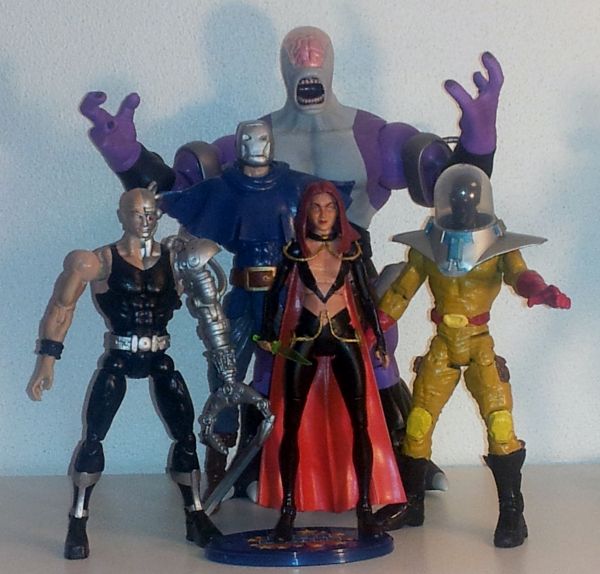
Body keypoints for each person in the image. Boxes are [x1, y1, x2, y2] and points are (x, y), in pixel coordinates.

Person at [79, 26, 504, 490]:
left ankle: (404, 462)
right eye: (297, 59)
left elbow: (459, 193)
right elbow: (179, 196)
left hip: (348, 267)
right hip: (276, 275)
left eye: (315, 57)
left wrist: (479, 142)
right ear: (285, 68)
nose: (307, 64)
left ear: (331, 65)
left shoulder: (374, 137)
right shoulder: (246, 144)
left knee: (376, 353)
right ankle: (257, 466)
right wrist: (128, 158)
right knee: (267, 364)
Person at [26, 185, 236, 558]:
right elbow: (62, 307)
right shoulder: (98, 261)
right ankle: (78, 519)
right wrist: (47, 358)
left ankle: (195, 514)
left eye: (151, 213)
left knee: (185, 435)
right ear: (122, 216)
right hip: (119, 356)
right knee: (94, 438)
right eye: (137, 213)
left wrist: (226, 365)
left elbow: (210, 311)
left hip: (159, 355)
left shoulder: (177, 259)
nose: (145, 220)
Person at [374, 164, 571, 547]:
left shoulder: (497, 246)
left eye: (469, 201)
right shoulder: (429, 245)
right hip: (443, 344)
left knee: (500, 424)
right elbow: (401, 291)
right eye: (456, 201)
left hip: (480, 343)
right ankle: (411, 502)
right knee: (417, 423)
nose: (463, 208)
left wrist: (540, 291)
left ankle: (512, 511)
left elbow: (520, 275)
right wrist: (374, 327)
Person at [159, 119, 319, 497]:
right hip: (244, 292)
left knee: (294, 376)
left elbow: (326, 221)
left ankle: (286, 468)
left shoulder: (294, 186)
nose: (255, 145)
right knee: (224, 372)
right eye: (248, 139)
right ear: (239, 143)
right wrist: (184, 259)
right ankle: (218, 463)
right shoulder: (226, 187)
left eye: (261, 138)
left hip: (284, 294)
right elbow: (196, 224)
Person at [256, 181, 405, 542]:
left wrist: (378, 339)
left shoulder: (350, 251)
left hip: (345, 336)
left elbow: (367, 299)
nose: (323, 215)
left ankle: (365, 508)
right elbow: (274, 297)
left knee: (360, 423)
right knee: (290, 425)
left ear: (339, 212)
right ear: (306, 212)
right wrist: (267, 336)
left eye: (329, 207)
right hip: (304, 338)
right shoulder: (294, 251)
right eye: (316, 207)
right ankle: (288, 509)